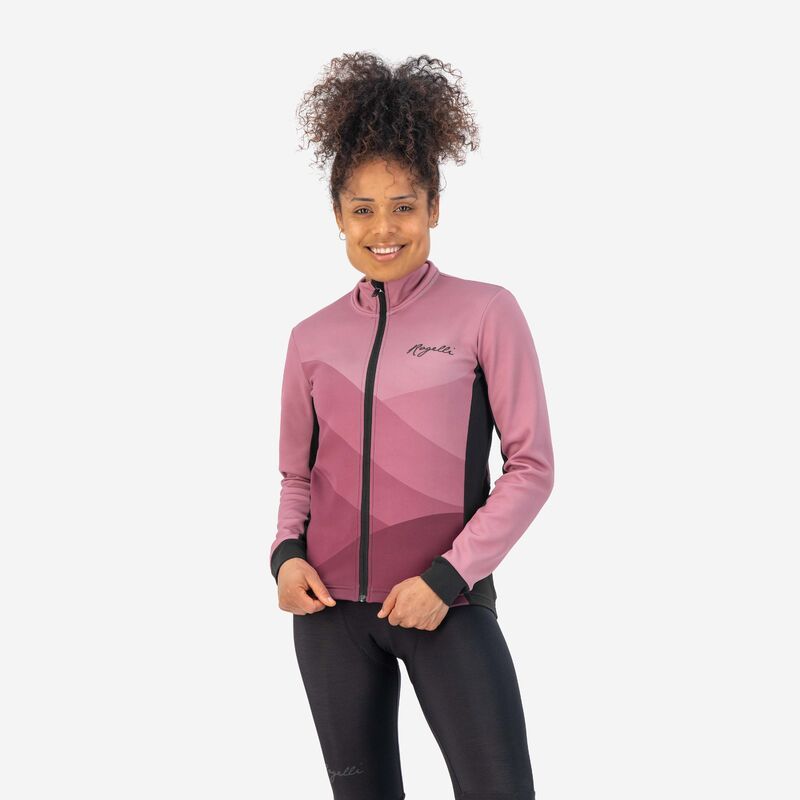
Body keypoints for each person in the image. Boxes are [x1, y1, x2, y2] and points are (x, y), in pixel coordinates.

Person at [269, 52, 555, 800]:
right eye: (362, 209)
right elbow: (297, 474)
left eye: (403, 205)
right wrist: (285, 557)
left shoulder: (486, 312)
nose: (383, 228)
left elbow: (531, 468)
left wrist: (448, 577)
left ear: (434, 206)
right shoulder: (311, 338)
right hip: (329, 617)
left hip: (445, 604)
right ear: (338, 216)